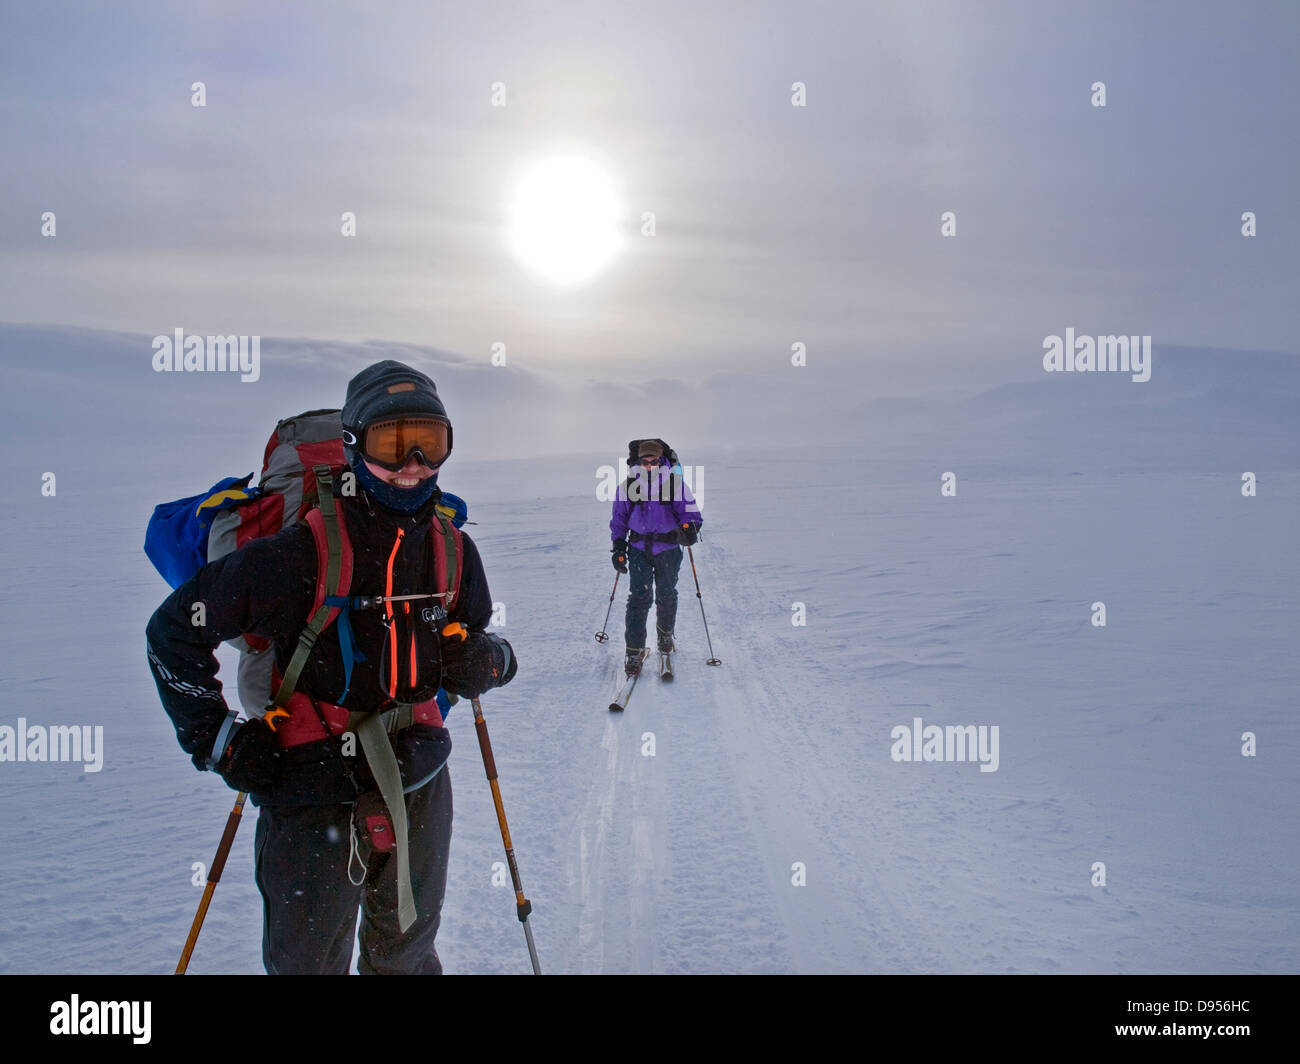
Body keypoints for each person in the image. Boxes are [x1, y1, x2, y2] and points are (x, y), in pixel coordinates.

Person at [146, 360, 516, 974]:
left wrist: (489, 661)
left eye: (430, 442)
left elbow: (485, 643)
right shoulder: (296, 554)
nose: (413, 465)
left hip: (421, 782)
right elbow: (172, 633)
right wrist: (220, 742)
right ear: (353, 446)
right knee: (309, 966)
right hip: (307, 793)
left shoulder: (452, 548)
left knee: (407, 956)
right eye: (391, 445)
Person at [609, 439, 703, 675]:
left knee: (666, 594)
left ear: (661, 460)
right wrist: (618, 548)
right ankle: (633, 652)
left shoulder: (675, 484)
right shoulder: (628, 485)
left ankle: (665, 635)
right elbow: (619, 519)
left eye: (654, 460)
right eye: (645, 460)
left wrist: (690, 528)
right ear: (638, 461)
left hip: (669, 549)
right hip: (639, 549)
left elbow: (691, 513)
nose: (649, 465)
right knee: (639, 598)